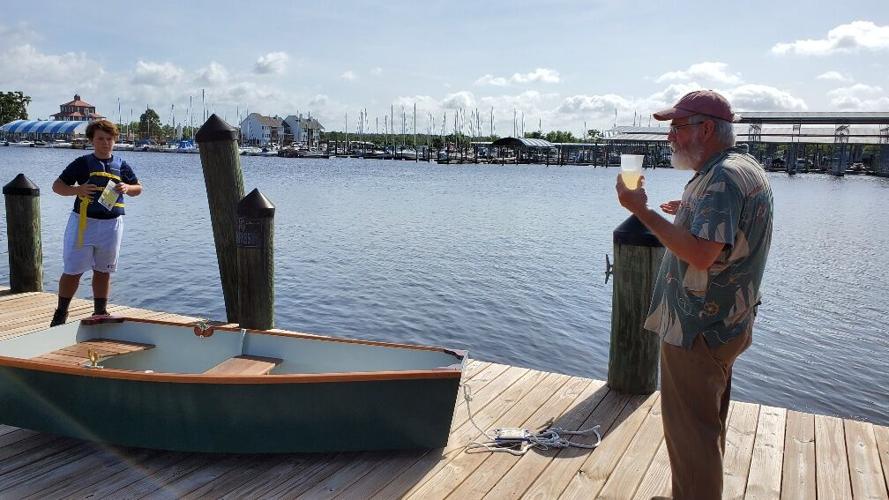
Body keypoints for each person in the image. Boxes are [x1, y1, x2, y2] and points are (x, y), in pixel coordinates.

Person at [615, 90, 773, 499]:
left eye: (677, 127)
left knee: (691, 435)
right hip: (725, 324)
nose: (670, 137)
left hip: (698, 328)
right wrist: (686, 208)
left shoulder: (721, 179)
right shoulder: (739, 168)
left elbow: (701, 255)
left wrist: (641, 210)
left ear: (706, 128)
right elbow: (722, 234)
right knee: (704, 424)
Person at [49, 119, 142, 326]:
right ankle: (60, 314)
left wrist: (127, 187)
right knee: (73, 270)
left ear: (115, 140)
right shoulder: (81, 163)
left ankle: (100, 311)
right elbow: (57, 186)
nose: (105, 143)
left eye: (109, 139)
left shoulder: (121, 164)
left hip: (112, 224)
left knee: (104, 269)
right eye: (100, 139)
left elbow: (138, 188)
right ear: (92, 140)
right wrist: (77, 190)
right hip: (84, 223)